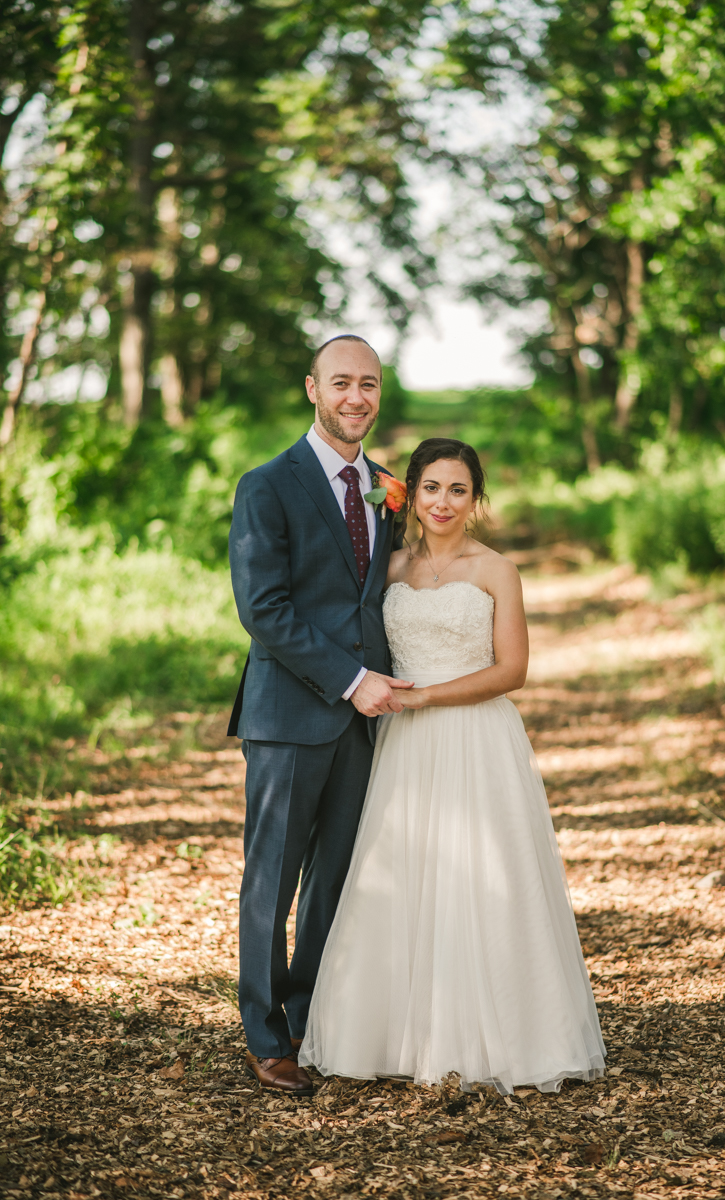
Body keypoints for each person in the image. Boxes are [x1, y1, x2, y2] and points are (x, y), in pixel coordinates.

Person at [300, 438, 606, 1094]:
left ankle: (506, 1035)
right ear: (410, 492)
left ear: (476, 499)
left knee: (485, 877)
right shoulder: (389, 567)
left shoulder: (496, 570)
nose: (444, 502)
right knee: (404, 875)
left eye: (459, 490)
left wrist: (430, 695)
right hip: (403, 745)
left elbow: (513, 670)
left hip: (474, 736)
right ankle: (395, 1034)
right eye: (432, 487)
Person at [228, 335, 412, 1096]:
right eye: (341, 382)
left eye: (368, 384)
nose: (356, 398)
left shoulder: (390, 488)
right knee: (271, 882)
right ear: (313, 388)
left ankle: (308, 1018)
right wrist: (351, 680)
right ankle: (265, 1034)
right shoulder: (267, 486)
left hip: (369, 725)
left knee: (335, 879)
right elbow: (262, 609)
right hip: (291, 715)